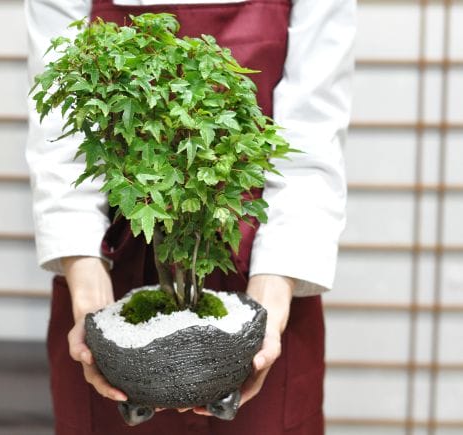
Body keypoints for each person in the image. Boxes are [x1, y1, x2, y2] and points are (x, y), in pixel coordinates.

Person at [25, 0, 355, 433]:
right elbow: (61, 133)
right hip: (112, 262)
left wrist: (273, 293)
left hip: (266, 266)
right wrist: (85, 281)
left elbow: (312, 132)